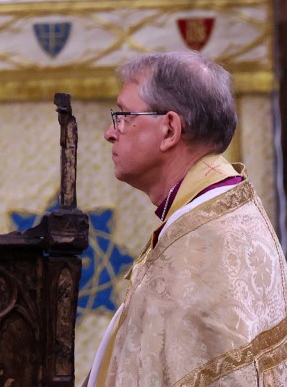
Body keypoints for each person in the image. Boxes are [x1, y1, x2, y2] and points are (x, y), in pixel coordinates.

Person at [86, 50, 287, 385]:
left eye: (123, 115)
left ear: (169, 130)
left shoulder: (202, 248)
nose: (110, 132)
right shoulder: (217, 212)